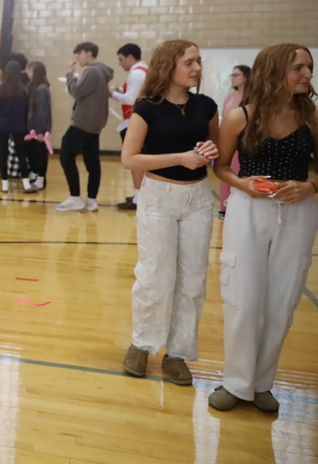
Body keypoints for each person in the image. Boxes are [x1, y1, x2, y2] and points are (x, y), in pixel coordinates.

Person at [208, 44, 317, 413]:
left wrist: (310, 187)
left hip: (299, 213)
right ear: (273, 71)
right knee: (243, 298)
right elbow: (221, 167)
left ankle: (262, 383)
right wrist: (243, 185)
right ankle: (236, 383)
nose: (308, 74)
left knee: (282, 301)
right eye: (299, 67)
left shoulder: (313, 117)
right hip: (248, 212)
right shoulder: (240, 117)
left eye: (309, 67)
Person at [119, 39, 219, 386]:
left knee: (192, 279)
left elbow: (215, 150)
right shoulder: (147, 107)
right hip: (158, 197)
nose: (196, 68)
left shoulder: (206, 106)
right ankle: (142, 343)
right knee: (155, 274)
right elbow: (129, 158)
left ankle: (178, 352)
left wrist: (209, 151)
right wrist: (179, 157)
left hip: (198, 199)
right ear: (169, 66)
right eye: (189, 62)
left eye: (198, 62)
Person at [56, 42, 114, 212]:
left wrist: (69, 75)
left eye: (79, 53)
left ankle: (75, 198)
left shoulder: (92, 70)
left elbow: (77, 92)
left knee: (66, 156)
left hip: (83, 122)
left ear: (89, 53)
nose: (77, 57)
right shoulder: (102, 72)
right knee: (92, 162)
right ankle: (91, 200)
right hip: (95, 124)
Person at [110, 44, 148, 210]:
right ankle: (139, 195)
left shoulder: (136, 73)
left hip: (134, 122)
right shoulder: (143, 70)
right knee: (139, 161)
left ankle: (139, 198)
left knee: (135, 161)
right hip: (138, 121)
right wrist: (120, 89)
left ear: (130, 57)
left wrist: (112, 93)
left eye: (121, 59)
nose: (120, 63)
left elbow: (131, 99)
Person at [0, 61, 35, 193]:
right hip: (18, 124)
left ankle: (4, 183)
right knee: (21, 152)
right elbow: (26, 109)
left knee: (2, 152)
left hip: (2, 124)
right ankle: (26, 182)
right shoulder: (23, 89)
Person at [218, 65, 251, 217]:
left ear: (245, 77)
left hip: (244, 143)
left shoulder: (252, 96)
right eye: (231, 75)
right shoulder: (230, 96)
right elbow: (224, 118)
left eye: (236, 75)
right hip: (229, 141)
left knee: (240, 173)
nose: (232, 78)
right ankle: (225, 207)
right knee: (225, 171)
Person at [25, 61, 51, 190]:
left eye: (30, 71)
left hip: (38, 128)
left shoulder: (41, 89)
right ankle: (35, 175)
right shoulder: (33, 87)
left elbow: (41, 111)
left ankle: (41, 179)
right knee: (32, 153)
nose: (27, 73)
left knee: (40, 153)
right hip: (32, 127)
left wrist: (40, 131)